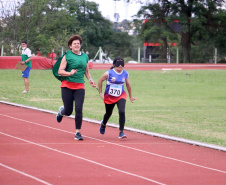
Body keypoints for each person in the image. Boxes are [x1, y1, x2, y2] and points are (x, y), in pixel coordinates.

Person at [56, 35, 97, 140]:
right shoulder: (67, 55)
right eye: (74, 43)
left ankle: (78, 133)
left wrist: (90, 80)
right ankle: (62, 111)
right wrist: (69, 73)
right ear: (70, 46)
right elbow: (60, 71)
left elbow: (86, 70)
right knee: (68, 112)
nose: (77, 45)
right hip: (67, 86)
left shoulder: (85, 56)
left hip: (80, 86)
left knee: (79, 109)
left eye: (78, 43)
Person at [98, 56, 138, 138]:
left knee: (122, 111)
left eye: (122, 63)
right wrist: (101, 93)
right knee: (108, 113)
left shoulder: (125, 73)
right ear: (114, 64)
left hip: (121, 95)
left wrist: (130, 96)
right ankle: (104, 123)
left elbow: (128, 85)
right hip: (109, 96)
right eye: (118, 63)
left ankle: (121, 131)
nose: (120, 66)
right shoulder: (108, 73)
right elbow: (100, 81)